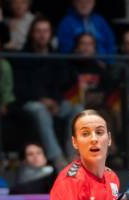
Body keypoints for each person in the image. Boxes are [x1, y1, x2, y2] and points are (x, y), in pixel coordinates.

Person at [13, 16, 81, 170]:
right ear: (32, 34)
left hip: (55, 102)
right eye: (38, 31)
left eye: (45, 31)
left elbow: (63, 84)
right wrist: (41, 100)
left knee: (77, 109)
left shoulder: (56, 57)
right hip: (31, 102)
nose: (42, 35)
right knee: (40, 110)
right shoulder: (22, 57)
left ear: (50, 34)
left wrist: (56, 101)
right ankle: (57, 158)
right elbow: (20, 88)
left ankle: (72, 156)